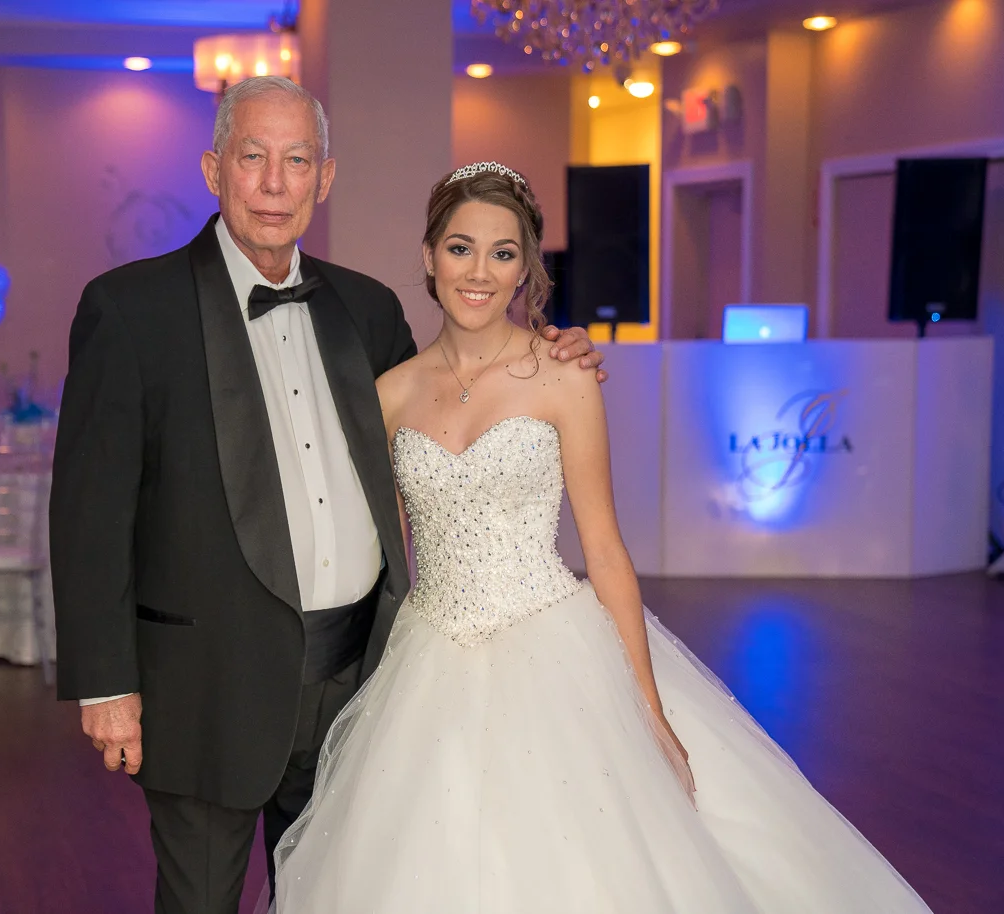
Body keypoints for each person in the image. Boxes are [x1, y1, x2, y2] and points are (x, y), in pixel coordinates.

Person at [268, 162, 934, 913]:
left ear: (527, 268)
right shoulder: (390, 394)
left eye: (503, 253)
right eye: (460, 248)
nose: (479, 273)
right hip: (429, 658)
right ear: (428, 256)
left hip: (553, 646)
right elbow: (380, 554)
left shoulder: (564, 376)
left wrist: (647, 710)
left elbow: (606, 550)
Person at [48, 78, 605, 914]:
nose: (275, 183)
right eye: (253, 157)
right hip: (207, 688)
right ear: (214, 169)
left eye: (298, 160)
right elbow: (90, 515)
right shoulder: (130, 310)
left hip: (359, 687)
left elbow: (457, 396)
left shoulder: (367, 309)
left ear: (326, 177)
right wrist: (105, 686)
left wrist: (555, 351)